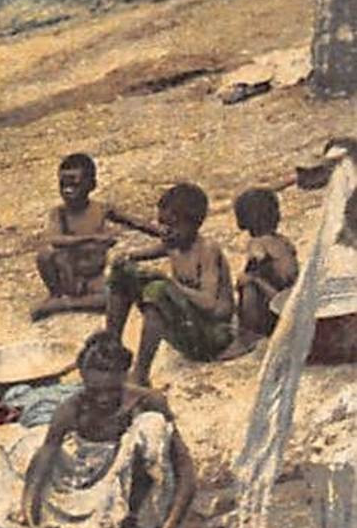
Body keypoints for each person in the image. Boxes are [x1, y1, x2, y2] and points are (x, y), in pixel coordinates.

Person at [14, 332, 197, 528]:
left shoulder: (148, 401)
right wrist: (32, 520)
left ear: (124, 377)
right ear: (82, 378)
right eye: (95, 391)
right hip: (89, 480)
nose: (103, 398)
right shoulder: (72, 408)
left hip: (137, 487)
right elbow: (41, 464)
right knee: (34, 449)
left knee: (152, 425)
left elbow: (186, 472)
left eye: (112, 390)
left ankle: (141, 519)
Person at [105, 182, 234, 385]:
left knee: (158, 290)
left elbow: (210, 304)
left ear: (193, 224)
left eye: (171, 226)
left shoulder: (207, 250)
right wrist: (126, 257)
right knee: (123, 271)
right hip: (188, 328)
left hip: (212, 337)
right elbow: (140, 252)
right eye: (162, 225)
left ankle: (140, 373)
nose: (164, 231)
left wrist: (169, 282)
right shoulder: (174, 242)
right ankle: (110, 348)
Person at [33, 153, 159, 319]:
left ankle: (63, 305)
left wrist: (160, 232)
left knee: (114, 299)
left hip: (94, 276)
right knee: (45, 254)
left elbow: (134, 222)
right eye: (63, 185)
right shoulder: (59, 213)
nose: (67, 190)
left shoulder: (100, 209)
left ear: (91, 185)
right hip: (70, 276)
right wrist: (93, 238)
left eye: (74, 185)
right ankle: (58, 295)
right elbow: (54, 239)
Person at [231, 187, 299, 342]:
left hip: (277, 304)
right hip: (289, 297)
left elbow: (251, 276)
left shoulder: (258, 245)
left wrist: (252, 280)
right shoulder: (282, 240)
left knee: (247, 284)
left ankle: (251, 331)